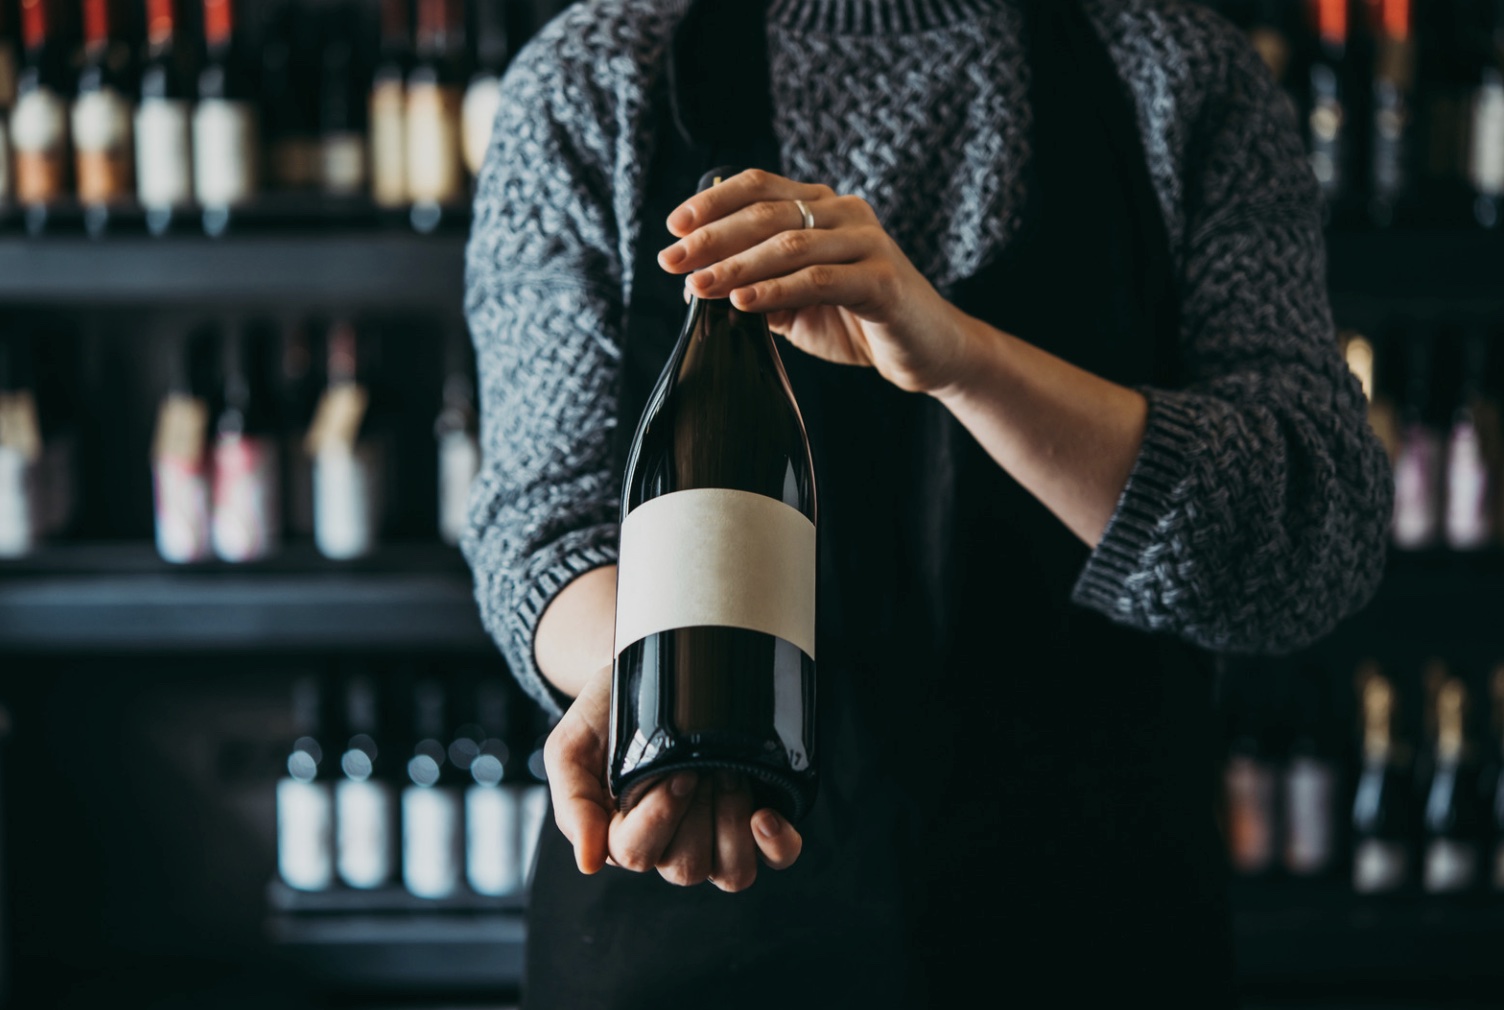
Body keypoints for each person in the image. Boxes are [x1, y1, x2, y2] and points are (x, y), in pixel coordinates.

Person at [461, 0, 1391, 1005]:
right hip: (691, 930)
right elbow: (542, 520)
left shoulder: (1181, 73)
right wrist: (658, 683)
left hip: (1090, 934)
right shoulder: (597, 78)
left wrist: (966, 359)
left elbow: (1311, 538)